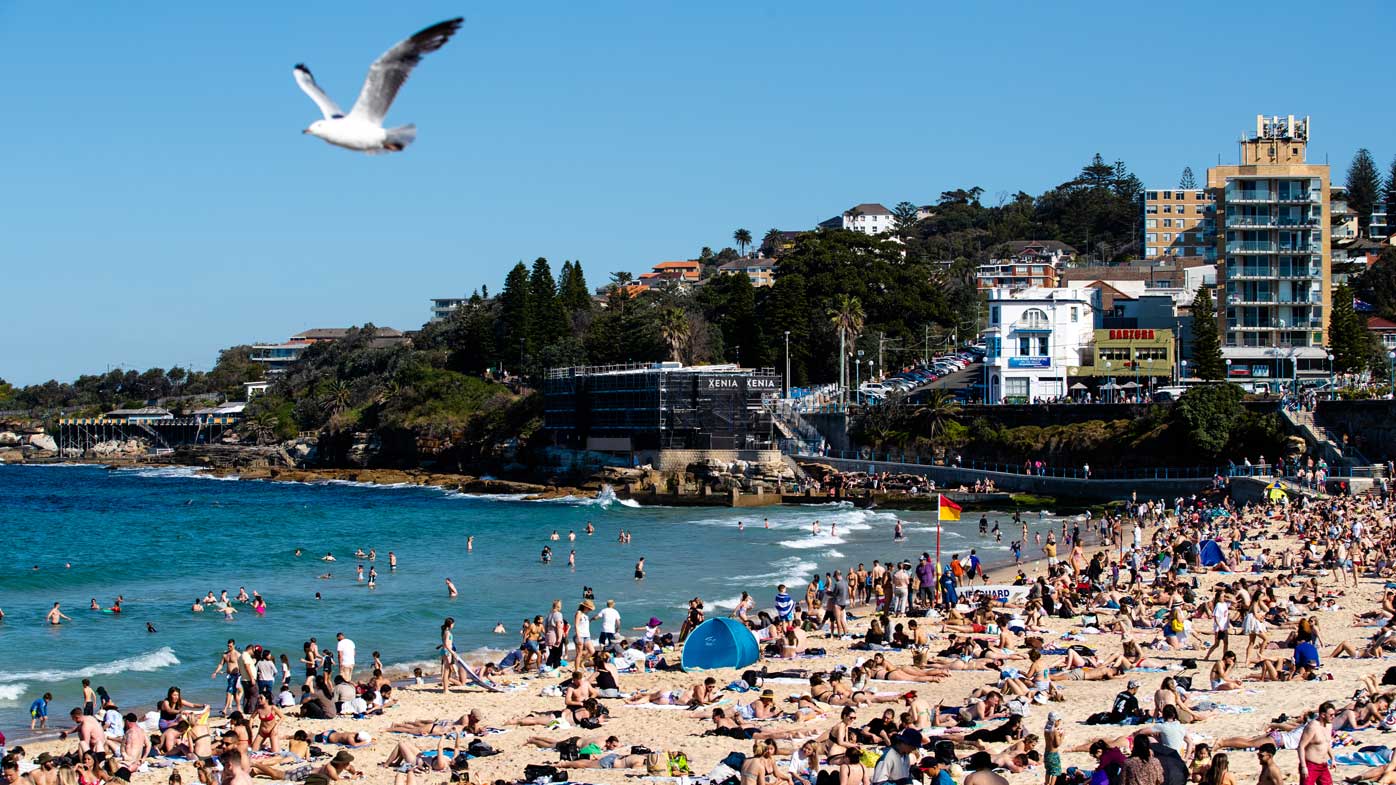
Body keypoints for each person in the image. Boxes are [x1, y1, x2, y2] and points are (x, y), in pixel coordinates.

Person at [1297, 702, 1335, 785]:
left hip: (1323, 765)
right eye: (1331, 715)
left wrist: (1332, 759)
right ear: (1323, 715)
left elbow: (1326, 743)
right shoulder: (1312, 727)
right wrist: (1303, 767)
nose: (1333, 717)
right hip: (1310, 765)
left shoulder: (1329, 726)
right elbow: (1301, 746)